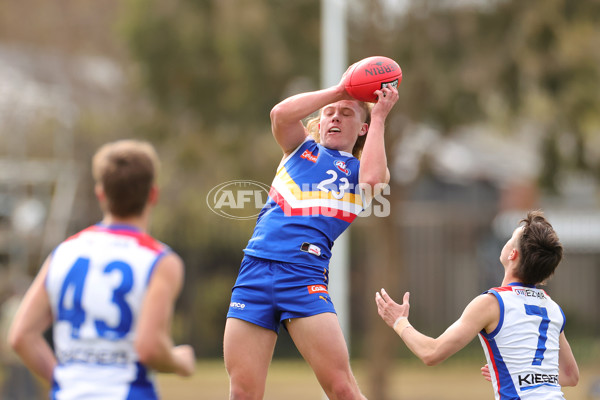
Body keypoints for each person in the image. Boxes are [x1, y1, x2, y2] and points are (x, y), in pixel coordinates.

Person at [223, 65, 399, 400]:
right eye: (329, 114)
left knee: (342, 388)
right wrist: (340, 90)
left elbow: (374, 182)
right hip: (254, 270)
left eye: (346, 114)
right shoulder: (298, 149)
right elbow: (280, 115)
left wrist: (379, 117)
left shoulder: (360, 170)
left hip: (303, 276)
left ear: (361, 127)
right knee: (242, 393)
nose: (335, 117)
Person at [8, 140, 195, 399]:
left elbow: (21, 336)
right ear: (153, 194)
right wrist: (179, 361)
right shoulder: (160, 261)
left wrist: (68, 383)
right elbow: (150, 347)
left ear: (101, 194)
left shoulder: (63, 253)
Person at [375, 210, 579, 399]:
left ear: (512, 254)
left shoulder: (492, 304)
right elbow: (571, 376)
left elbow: (431, 353)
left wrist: (399, 322)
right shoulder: (552, 308)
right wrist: (516, 372)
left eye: (510, 239)